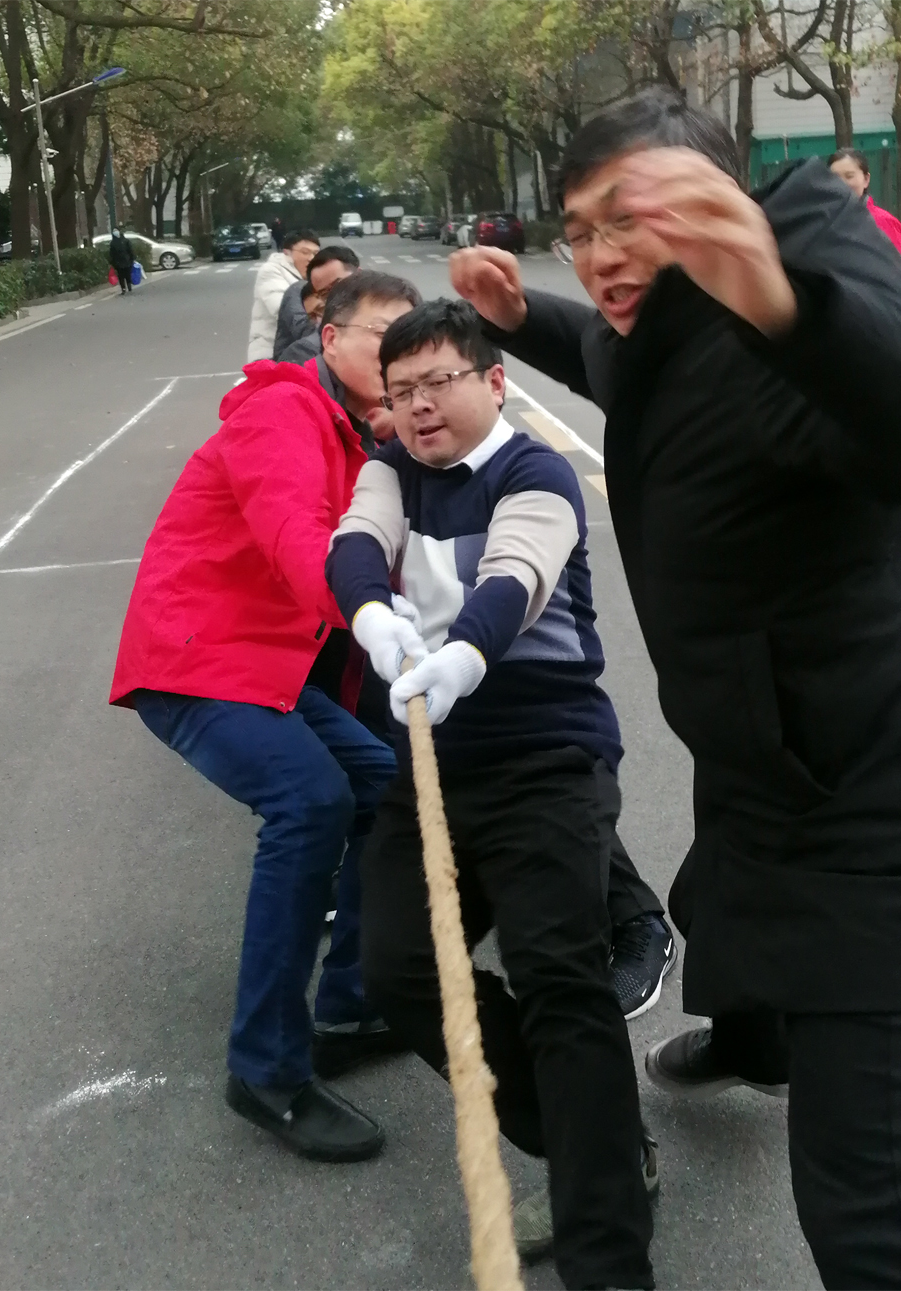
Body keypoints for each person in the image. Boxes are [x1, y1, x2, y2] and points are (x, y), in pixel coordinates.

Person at [451, 87, 901, 1290]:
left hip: (884, 825)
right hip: (768, 782)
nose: (601, 252)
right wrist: (520, 318)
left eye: (630, 217)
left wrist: (781, 302)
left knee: (873, 1211)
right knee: (716, 908)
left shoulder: (787, 303)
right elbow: (617, 363)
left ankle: (789, 1048)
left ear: (718, 200)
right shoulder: (660, 328)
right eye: (579, 228)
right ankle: (760, 1040)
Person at [327, 299, 655, 1291]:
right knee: (398, 968)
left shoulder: (537, 472)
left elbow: (517, 576)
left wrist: (466, 653)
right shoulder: (392, 469)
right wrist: (371, 615)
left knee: (560, 977)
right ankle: (590, 1134)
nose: (419, 407)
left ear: (494, 381)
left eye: (439, 382)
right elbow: (354, 542)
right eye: (401, 392)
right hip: (431, 763)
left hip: (546, 757)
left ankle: (608, 1252)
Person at [109, 270, 423, 1162]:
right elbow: (296, 534)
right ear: (330, 338)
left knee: (385, 790)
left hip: (274, 667)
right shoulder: (283, 412)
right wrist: (365, 607)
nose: (400, 360)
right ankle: (266, 1068)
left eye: (414, 345)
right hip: (197, 654)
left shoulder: (363, 436)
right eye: (384, 337)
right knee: (311, 801)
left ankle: (350, 1003)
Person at [274, 244, 360, 360]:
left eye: (338, 284)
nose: (335, 295)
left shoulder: (383, 301)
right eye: (325, 293)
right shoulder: (310, 350)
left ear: (359, 273)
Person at [246, 230, 319, 364]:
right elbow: (282, 309)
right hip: (269, 354)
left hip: (297, 353)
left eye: (315, 253)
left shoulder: (311, 277)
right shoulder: (271, 271)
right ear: (287, 253)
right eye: (305, 252)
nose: (311, 258)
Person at [827, 147, 901, 259]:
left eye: (849, 176)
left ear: (866, 179)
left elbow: (896, 267)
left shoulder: (883, 222)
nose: (842, 183)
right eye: (835, 177)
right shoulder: (824, 221)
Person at [108, 229, 136, 295]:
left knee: (126, 274)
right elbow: (112, 254)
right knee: (121, 275)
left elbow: (130, 250)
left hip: (125, 260)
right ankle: (124, 287)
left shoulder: (125, 241)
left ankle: (128, 285)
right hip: (120, 261)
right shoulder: (113, 243)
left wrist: (132, 258)